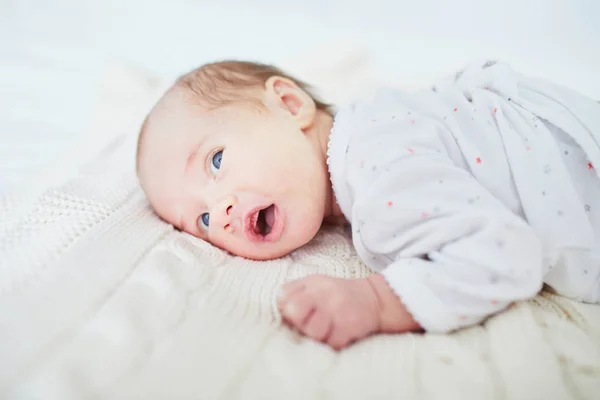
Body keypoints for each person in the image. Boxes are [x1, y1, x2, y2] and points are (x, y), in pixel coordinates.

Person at [136, 60, 600, 350]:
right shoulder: (381, 125)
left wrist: (378, 300)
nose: (219, 213)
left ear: (290, 103)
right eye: (200, 220)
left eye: (216, 161)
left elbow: (505, 252)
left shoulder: (375, 166)